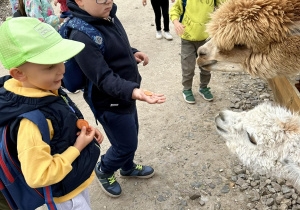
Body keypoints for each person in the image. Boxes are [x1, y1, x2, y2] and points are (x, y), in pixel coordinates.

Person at [0, 17, 104, 209]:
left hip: (73, 178)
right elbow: (39, 176)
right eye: (49, 66)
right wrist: (78, 148)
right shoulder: (29, 124)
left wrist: (82, 126)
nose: (61, 71)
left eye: (61, 60)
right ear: (19, 74)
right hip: (66, 198)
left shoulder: (42, 86)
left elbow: (61, 116)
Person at [66, 0, 166, 197]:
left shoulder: (106, 14)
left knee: (132, 135)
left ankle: (127, 167)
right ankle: (104, 169)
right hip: (108, 102)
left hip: (125, 95)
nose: (108, 2)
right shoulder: (81, 36)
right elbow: (103, 78)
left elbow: (117, 45)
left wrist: (132, 51)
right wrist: (135, 91)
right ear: (80, 2)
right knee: (125, 144)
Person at [170, 0, 226, 104]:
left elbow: (225, 7)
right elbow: (175, 9)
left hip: (206, 39)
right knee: (188, 66)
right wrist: (176, 22)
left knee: (206, 65)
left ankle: (203, 88)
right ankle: (187, 89)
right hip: (188, 38)